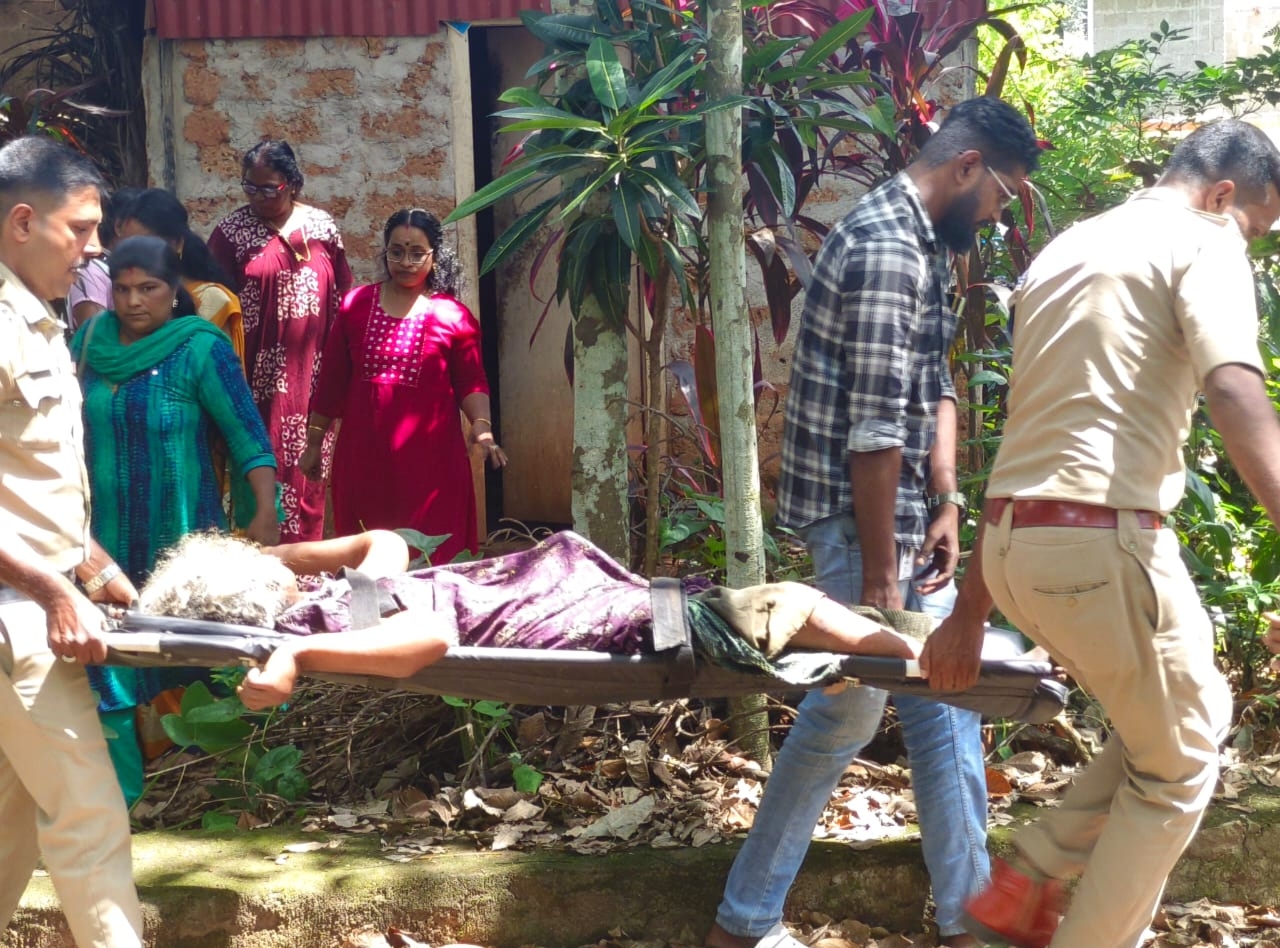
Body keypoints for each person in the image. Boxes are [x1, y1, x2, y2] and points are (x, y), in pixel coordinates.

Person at [921, 119, 1280, 948]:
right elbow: (1233, 390)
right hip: (1100, 544)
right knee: (1178, 772)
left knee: (1195, 710)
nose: (1252, 244)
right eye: (1256, 226)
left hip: (1017, 547)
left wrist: (972, 608)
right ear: (1223, 193)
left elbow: (1031, 437)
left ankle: (1028, 880)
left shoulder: (1071, 248)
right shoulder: (1204, 239)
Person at [708, 97, 1042, 948]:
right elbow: (873, 432)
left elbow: (933, 381)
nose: (999, 216)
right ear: (967, 166)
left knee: (942, 699)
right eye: (1002, 195)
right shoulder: (888, 245)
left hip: (902, 512)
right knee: (855, 709)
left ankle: (965, 921)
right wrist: (882, 585)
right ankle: (745, 922)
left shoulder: (926, 240)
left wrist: (947, 498)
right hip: (858, 520)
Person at [135, 529, 926, 712]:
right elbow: (427, 633)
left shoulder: (337, 602)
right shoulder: (325, 622)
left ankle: (909, 644)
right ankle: (913, 654)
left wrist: (282, 555)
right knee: (788, 606)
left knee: (787, 612)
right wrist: (298, 655)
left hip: (571, 598)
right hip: (578, 614)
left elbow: (387, 549)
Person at [71, 235, 279, 804]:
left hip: (182, 545)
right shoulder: (88, 343)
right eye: (121, 289)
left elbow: (247, 436)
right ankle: (120, 800)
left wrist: (265, 511)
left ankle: (222, 787)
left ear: (174, 289)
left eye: (149, 288)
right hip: (101, 545)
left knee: (199, 654)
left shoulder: (199, 347)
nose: (133, 301)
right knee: (107, 661)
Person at [0, 136, 144, 946]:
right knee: (90, 817)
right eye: (81, 229)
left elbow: (23, 472)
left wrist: (85, 558)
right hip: (16, 615)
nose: (95, 249)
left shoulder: (36, 315)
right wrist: (52, 588)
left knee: (9, 825)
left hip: (33, 600)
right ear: (23, 222)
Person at [301, 208, 505, 565]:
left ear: (434, 256)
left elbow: (471, 381)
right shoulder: (355, 306)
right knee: (367, 554)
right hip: (364, 462)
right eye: (396, 252)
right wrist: (314, 444)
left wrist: (483, 429)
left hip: (431, 467)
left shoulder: (453, 316)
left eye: (416, 253)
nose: (406, 262)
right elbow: (332, 382)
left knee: (432, 558)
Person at [208, 139, 352, 542]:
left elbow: (343, 295)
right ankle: (262, 560)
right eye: (249, 187)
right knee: (260, 466)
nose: (258, 197)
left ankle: (306, 565)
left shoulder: (322, 227)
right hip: (254, 381)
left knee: (310, 472)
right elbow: (202, 298)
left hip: (314, 380)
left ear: (291, 183)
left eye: (269, 188)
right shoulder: (231, 234)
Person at [116, 187, 246, 364]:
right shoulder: (122, 295)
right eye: (127, 246)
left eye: (147, 245)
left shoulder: (211, 301)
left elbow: (218, 372)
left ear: (177, 244)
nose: (135, 256)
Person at [67, 185, 141, 330]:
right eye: (145, 225)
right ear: (119, 226)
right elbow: (95, 336)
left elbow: (174, 304)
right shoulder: (91, 270)